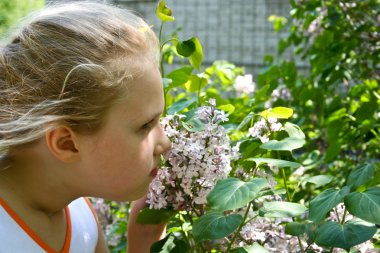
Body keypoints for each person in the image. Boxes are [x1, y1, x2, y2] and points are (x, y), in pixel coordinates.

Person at [0, 1, 171, 252]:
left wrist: (143, 238)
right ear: (67, 144)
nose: (165, 143)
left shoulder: (77, 212)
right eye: (145, 125)